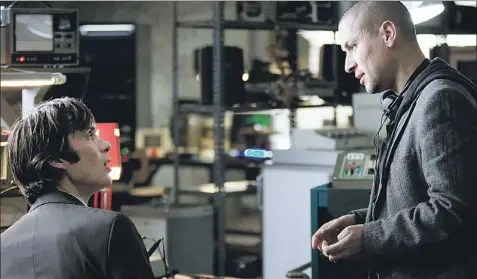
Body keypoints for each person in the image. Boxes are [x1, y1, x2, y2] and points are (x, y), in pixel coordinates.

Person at [311, 2, 477, 279]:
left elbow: (453, 211)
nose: (348, 65)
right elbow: (417, 200)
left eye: (351, 47)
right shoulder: (411, 101)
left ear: (387, 34)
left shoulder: (441, 99)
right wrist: (361, 221)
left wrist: (369, 237)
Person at [1, 97, 155, 279]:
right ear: (55, 159)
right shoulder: (109, 229)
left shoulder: (4, 244)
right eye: (90, 135)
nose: (106, 145)